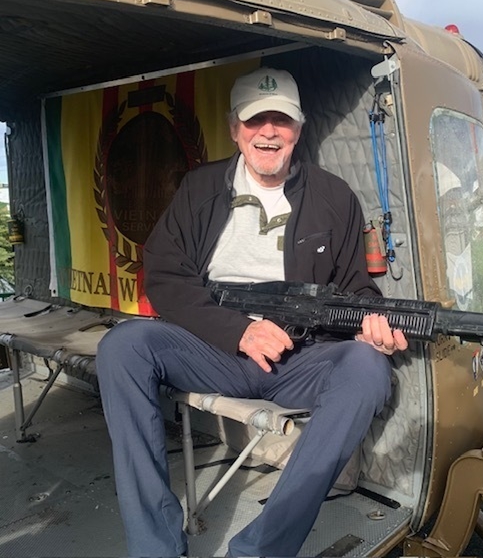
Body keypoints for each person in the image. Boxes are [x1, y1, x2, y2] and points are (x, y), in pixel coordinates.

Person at [96, 67, 408, 558]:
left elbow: (356, 287)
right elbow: (165, 276)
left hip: (300, 359)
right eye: (255, 119)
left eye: (281, 120)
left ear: (299, 128)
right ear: (234, 128)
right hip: (214, 351)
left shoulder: (334, 197)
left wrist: (371, 325)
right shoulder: (199, 188)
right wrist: (238, 332)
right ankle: (154, 546)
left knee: (368, 367)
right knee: (122, 347)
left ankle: (262, 549)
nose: (268, 132)